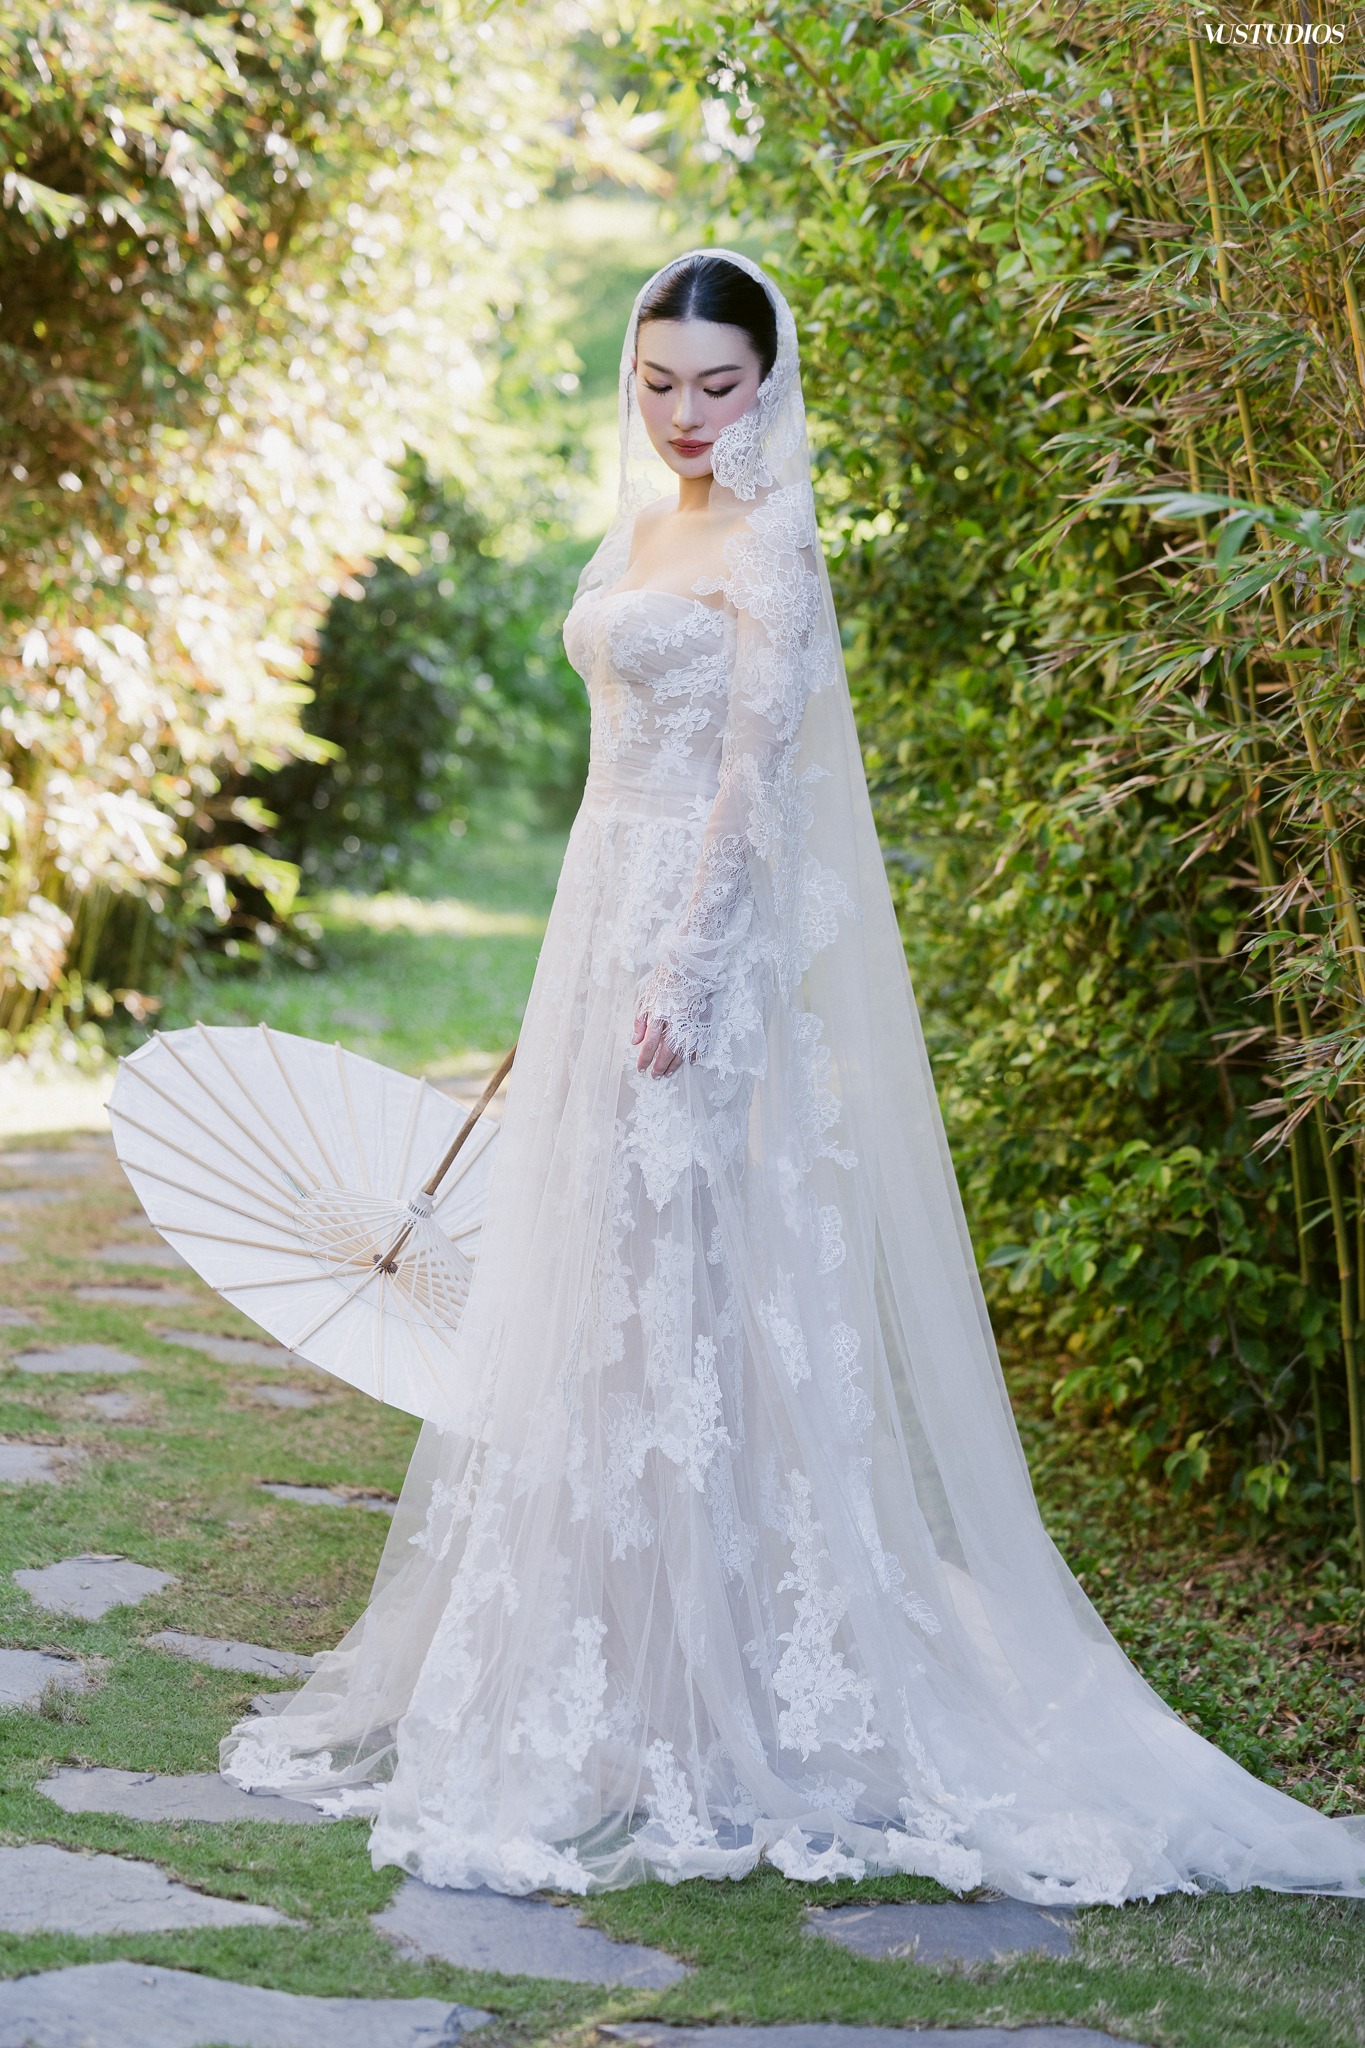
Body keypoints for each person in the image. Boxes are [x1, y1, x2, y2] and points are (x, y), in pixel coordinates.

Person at [223, 251, 1365, 1905]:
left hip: (699, 958)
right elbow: (614, 765)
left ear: (767, 380)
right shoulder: (639, 532)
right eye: (657, 383)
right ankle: (610, 1655)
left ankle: (726, 1679)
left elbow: (754, 778)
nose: (684, 415)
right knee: (597, 1285)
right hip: (600, 927)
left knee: (688, 1280)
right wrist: (575, 966)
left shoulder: (773, 543)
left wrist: (682, 973)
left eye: (717, 384)